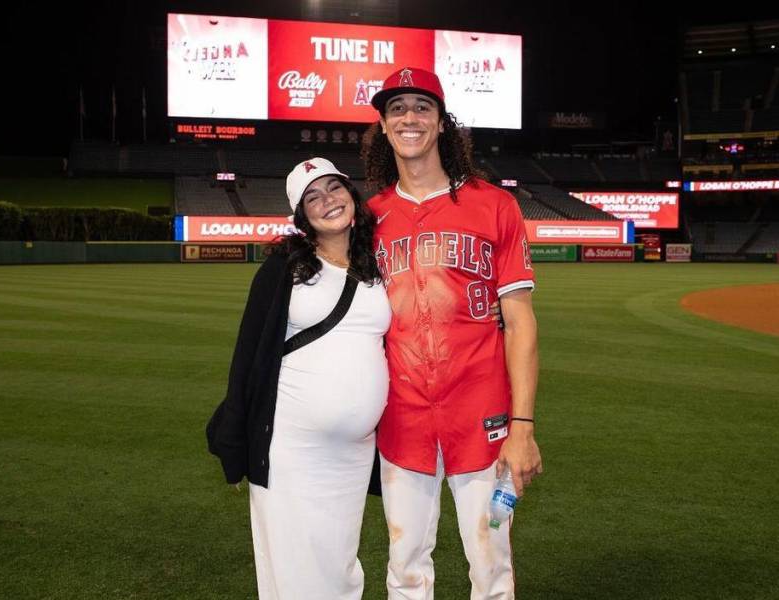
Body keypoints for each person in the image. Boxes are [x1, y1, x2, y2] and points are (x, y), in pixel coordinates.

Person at [361, 66, 543, 599]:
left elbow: (521, 321)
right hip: (401, 414)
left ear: (441, 122)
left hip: (482, 412)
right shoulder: (370, 219)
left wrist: (524, 425)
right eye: (397, 109)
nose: (409, 117)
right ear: (384, 126)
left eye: (422, 107)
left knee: (491, 564)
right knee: (405, 563)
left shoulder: (494, 205)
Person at [206, 157, 391, 599]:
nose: (328, 200)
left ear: (351, 193)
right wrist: (235, 440)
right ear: (301, 215)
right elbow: (248, 356)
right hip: (293, 447)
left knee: (340, 562)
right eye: (313, 196)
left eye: (334, 188)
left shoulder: (378, 264)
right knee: (293, 565)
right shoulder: (285, 267)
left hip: (354, 454)